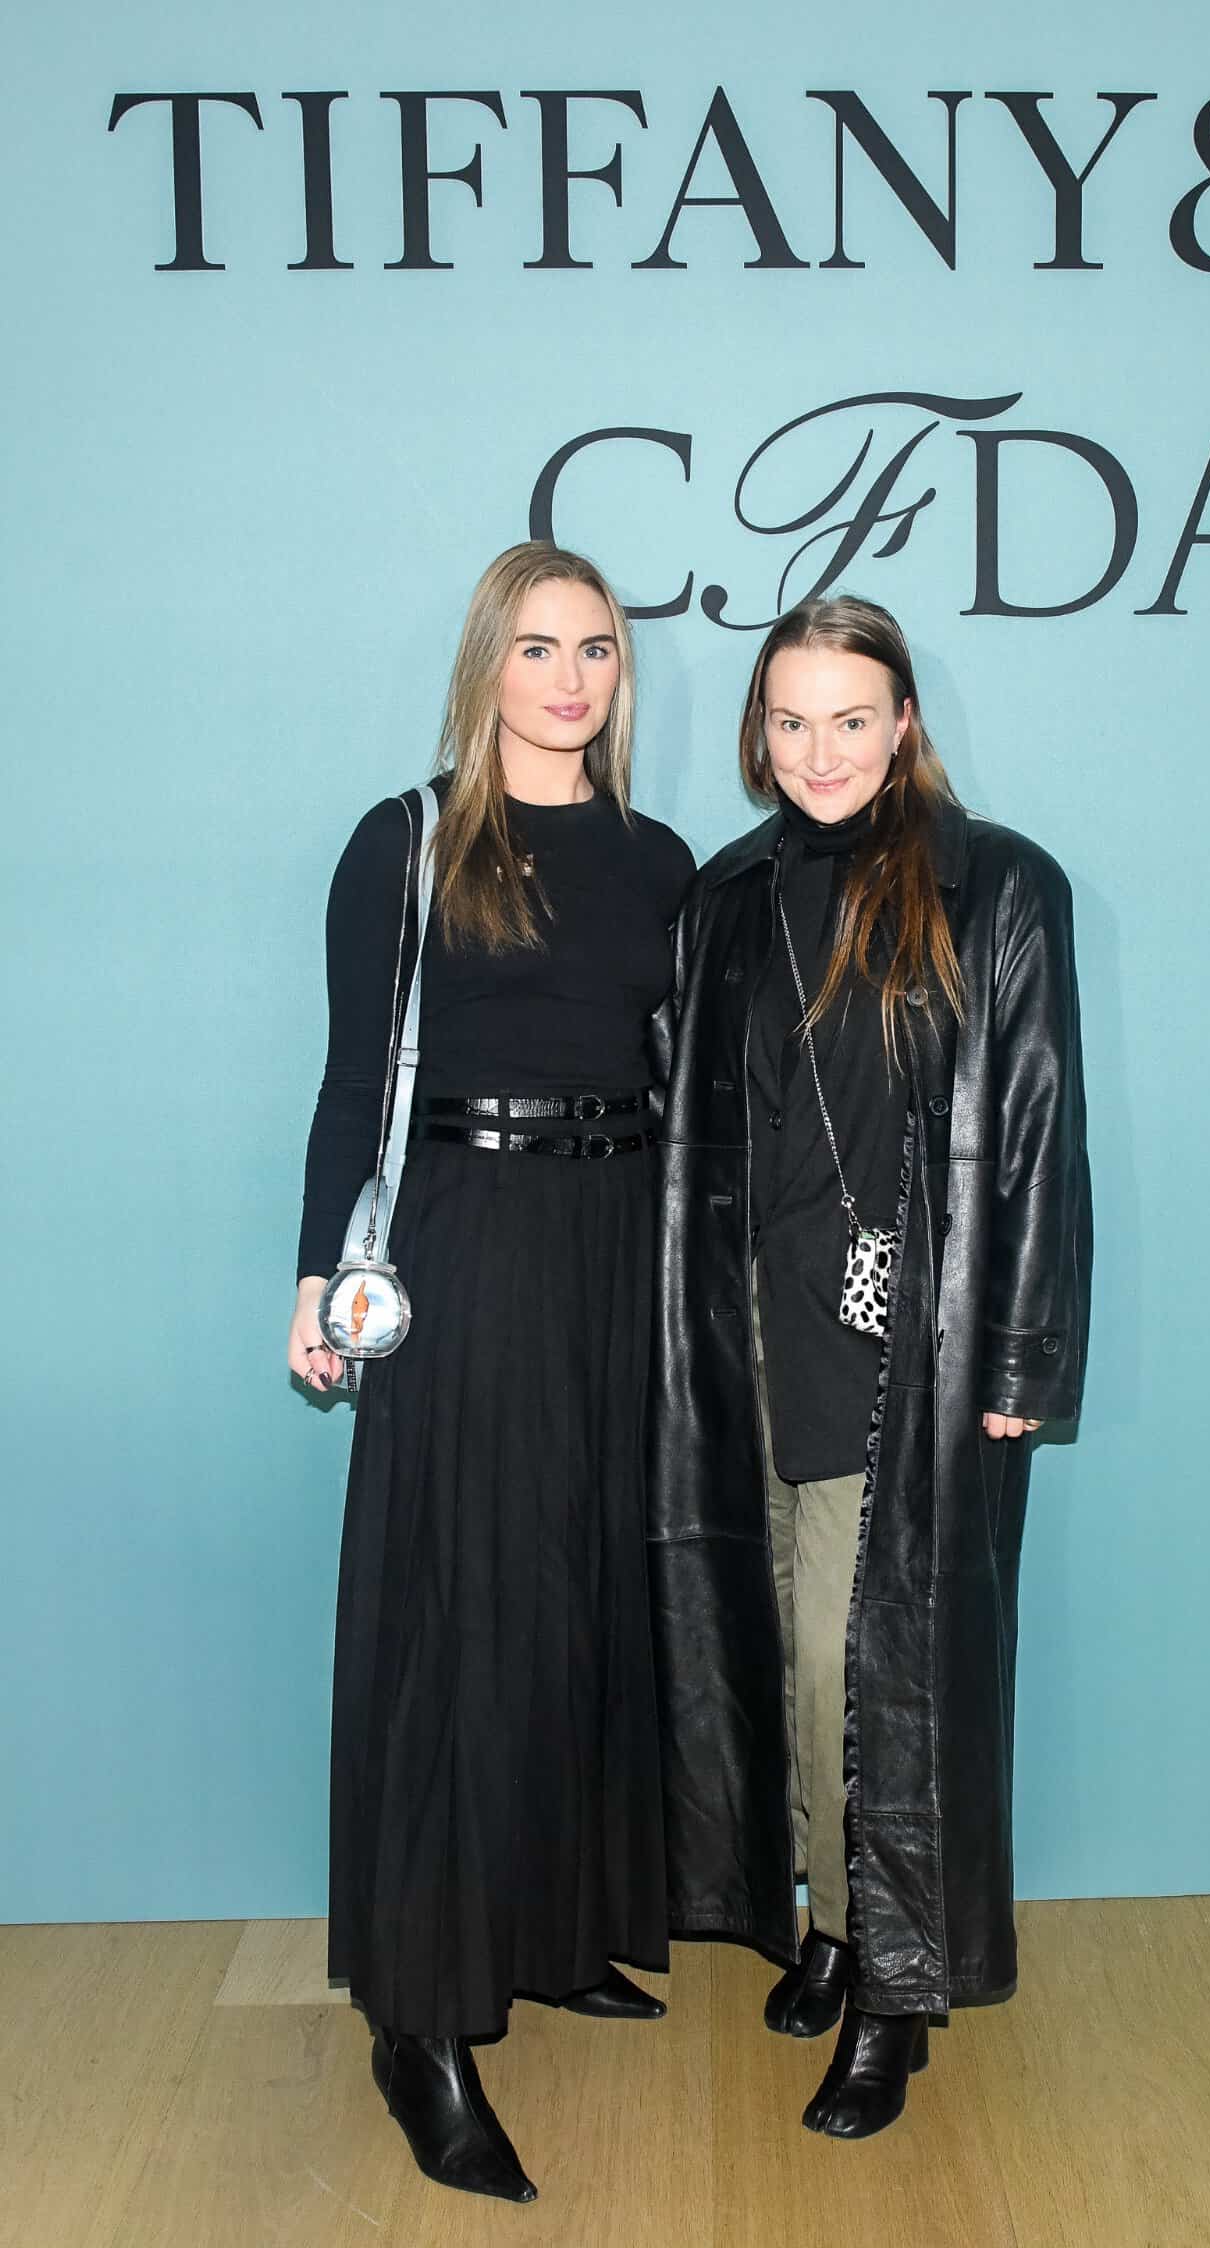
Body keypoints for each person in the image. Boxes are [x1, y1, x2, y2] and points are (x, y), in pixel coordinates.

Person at [648, 595, 1091, 2140]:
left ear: (904, 723)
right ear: (758, 731)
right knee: (779, 1652)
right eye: (791, 721)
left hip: (911, 1354)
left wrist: (1023, 1354)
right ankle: (834, 1923)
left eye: (850, 718)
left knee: (872, 1672)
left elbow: (1035, 1130)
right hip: (751, 1336)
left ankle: (897, 1991)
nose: (819, 750)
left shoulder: (999, 886)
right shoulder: (727, 897)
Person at [288, 543, 694, 2203]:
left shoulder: (661, 859)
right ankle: (424, 2026)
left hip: (621, 1242)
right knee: (460, 1611)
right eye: (538, 647)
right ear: (487, 664)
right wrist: (314, 1274)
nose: (570, 678)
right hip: (468, 1236)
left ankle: (555, 1928)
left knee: (591, 1592)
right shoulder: (406, 840)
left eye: (595, 649)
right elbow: (347, 1080)